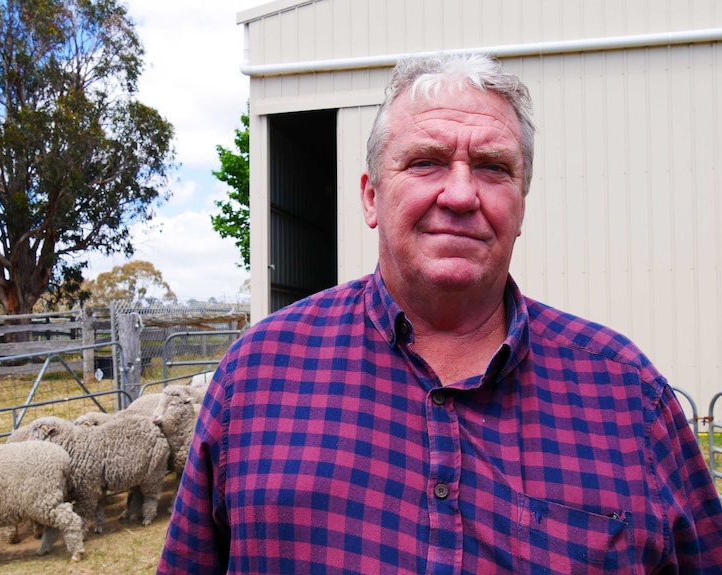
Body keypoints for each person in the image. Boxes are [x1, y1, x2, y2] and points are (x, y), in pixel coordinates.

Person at [157, 53, 722, 574]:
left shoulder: (626, 394)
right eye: (425, 162)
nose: (459, 194)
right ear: (372, 197)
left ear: (521, 204)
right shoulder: (256, 377)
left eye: (492, 167)